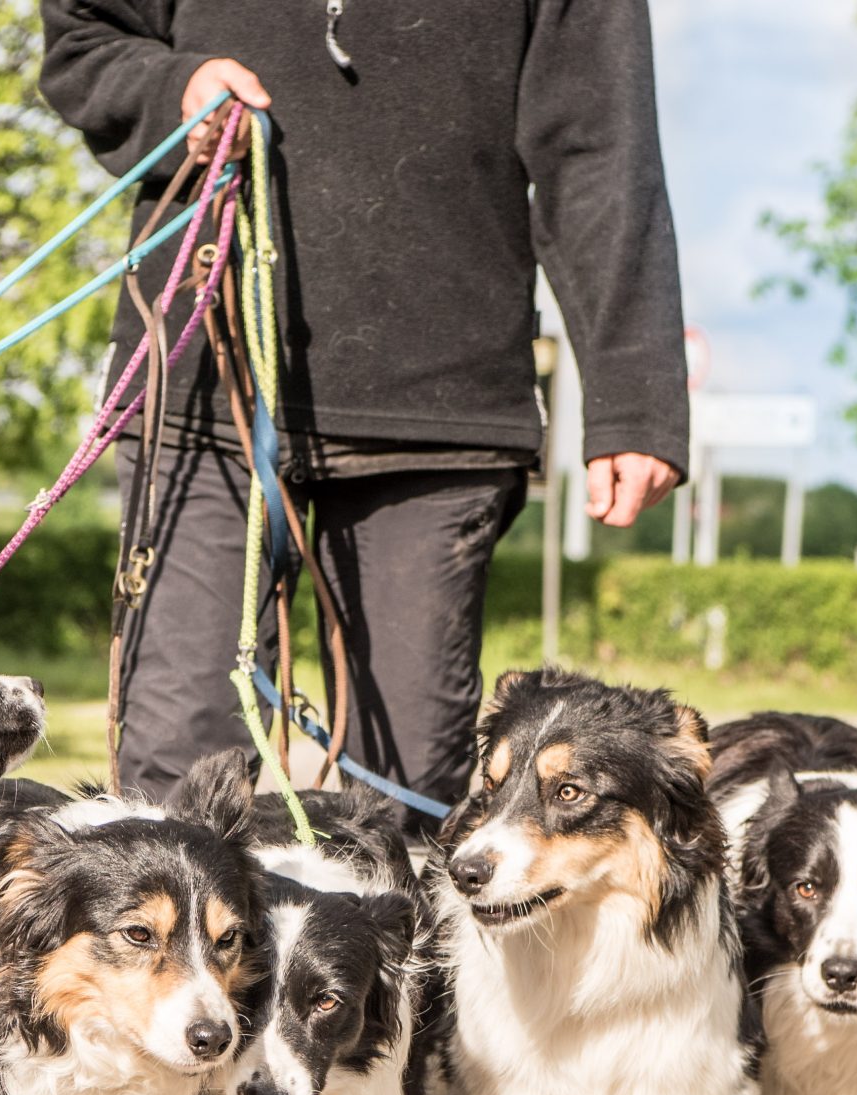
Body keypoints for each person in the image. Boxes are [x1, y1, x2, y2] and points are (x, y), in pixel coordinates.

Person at [40, 0, 690, 820]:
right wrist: (172, 88)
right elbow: (84, 38)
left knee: (406, 798)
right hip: (203, 387)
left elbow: (600, 148)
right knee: (177, 786)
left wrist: (635, 397)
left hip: (443, 415)